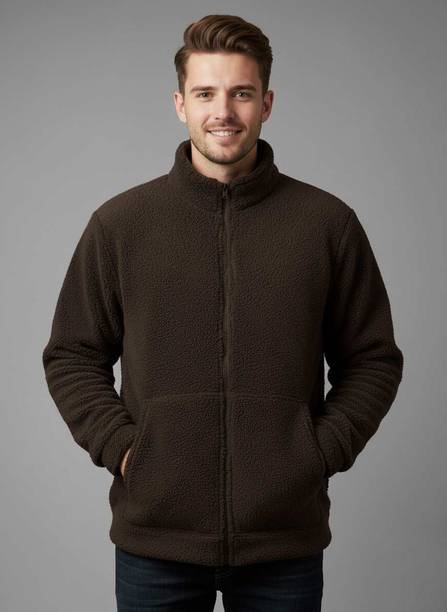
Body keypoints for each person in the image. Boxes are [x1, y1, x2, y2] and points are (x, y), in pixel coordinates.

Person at [42, 13, 404, 612]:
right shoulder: (121, 225)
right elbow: (71, 354)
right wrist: (126, 449)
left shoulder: (326, 224)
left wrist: (317, 453)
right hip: (155, 541)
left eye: (241, 93)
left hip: (283, 544)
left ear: (267, 103)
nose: (223, 112)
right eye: (206, 93)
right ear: (180, 104)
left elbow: (373, 359)